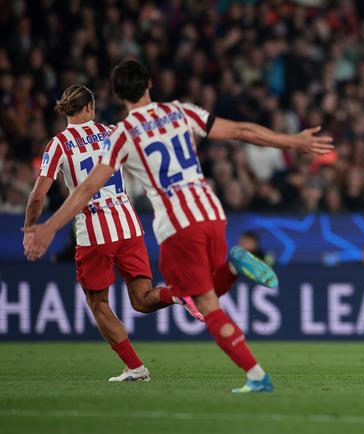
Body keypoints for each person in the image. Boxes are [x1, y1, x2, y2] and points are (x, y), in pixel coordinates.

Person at [24, 60, 334, 392]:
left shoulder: (122, 134)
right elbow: (243, 131)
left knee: (170, 301)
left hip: (165, 225)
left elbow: (84, 189)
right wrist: (293, 142)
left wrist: (48, 227)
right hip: (207, 210)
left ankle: (229, 356)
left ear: (118, 95)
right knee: (168, 297)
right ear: (150, 84)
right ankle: (252, 367)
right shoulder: (177, 112)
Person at [23, 84, 205, 382]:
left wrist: (31, 228)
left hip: (94, 232)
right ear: (90, 108)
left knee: (98, 303)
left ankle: (135, 368)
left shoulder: (58, 144)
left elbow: (37, 196)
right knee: (142, 299)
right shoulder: (111, 132)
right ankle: (177, 293)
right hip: (128, 225)